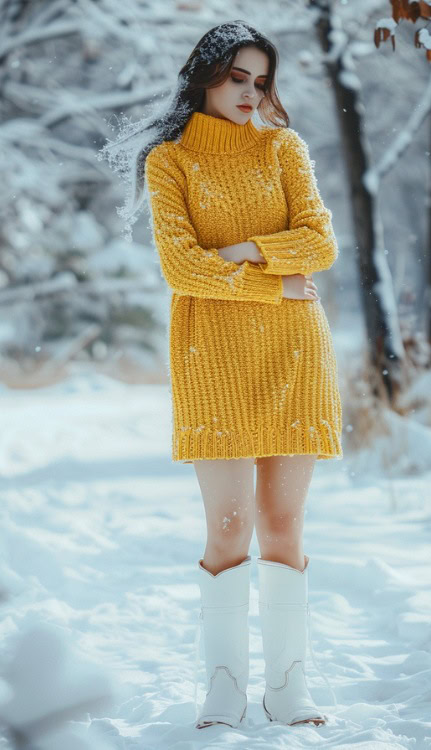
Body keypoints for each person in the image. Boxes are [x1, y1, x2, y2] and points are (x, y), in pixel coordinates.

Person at [102, 19, 343, 730]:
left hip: (295, 352)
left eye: (261, 81)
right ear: (205, 74)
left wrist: (236, 249)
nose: (250, 93)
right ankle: (225, 686)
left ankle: (289, 688)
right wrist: (275, 279)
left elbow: (320, 241)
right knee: (230, 525)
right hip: (212, 355)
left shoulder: (283, 147)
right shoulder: (170, 162)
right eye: (238, 77)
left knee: (282, 522)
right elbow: (181, 268)